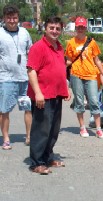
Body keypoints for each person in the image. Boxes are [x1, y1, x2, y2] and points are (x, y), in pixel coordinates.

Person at [27, 16, 71, 175]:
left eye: (58, 28)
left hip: (56, 94)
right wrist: (38, 93)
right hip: (42, 96)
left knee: (53, 129)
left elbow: (60, 69)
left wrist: (65, 89)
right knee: (41, 129)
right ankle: (36, 162)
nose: (54, 31)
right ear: (45, 28)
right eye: (51, 28)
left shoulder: (59, 47)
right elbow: (31, 70)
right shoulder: (38, 47)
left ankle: (47, 157)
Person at [65, 16, 103, 139]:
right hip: (76, 75)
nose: (80, 29)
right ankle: (82, 127)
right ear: (75, 28)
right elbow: (68, 61)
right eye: (78, 27)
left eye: (82, 27)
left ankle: (98, 129)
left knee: (94, 101)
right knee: (79, 101)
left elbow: (97, 60)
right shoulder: (71, 43)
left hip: (91, 75)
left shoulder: (91, 42)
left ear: (85, 28)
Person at [0, 4, 33, 150]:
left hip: (24, 78)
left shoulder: (25, 32)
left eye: (14, 18)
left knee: (28, 108)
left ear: (18, 18)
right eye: (9, 18)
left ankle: (29, 136)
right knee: (4, 110)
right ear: (4, 18)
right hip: (6, 78)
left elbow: (31, 52)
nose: (12, 21)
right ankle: (6, 138)